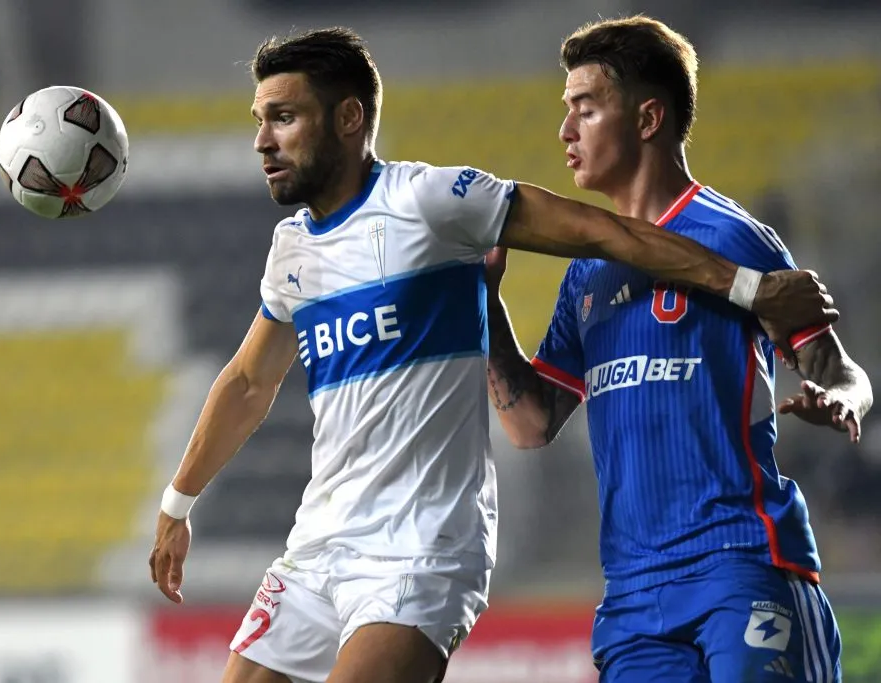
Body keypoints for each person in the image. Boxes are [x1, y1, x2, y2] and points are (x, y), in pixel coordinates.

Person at [147, 27, 838, 683]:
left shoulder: (431, 201)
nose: (263, 140)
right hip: (318, 545)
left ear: (349, 118)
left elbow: (598, 232)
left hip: (421, 550)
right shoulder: (292, 249)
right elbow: (245, 381)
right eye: (259, 119)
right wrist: (178, 502)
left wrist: (749, 288)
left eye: (284, 117)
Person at [484, 16, 873, 683]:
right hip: (635, 598)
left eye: (585, 108)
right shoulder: (585, 272)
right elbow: (530, 423)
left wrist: (838, 395)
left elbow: (839, 365)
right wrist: (486, 303)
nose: (565, 132)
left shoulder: (734, 240)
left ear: (647, 119)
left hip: (743, 563)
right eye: (564, 111)